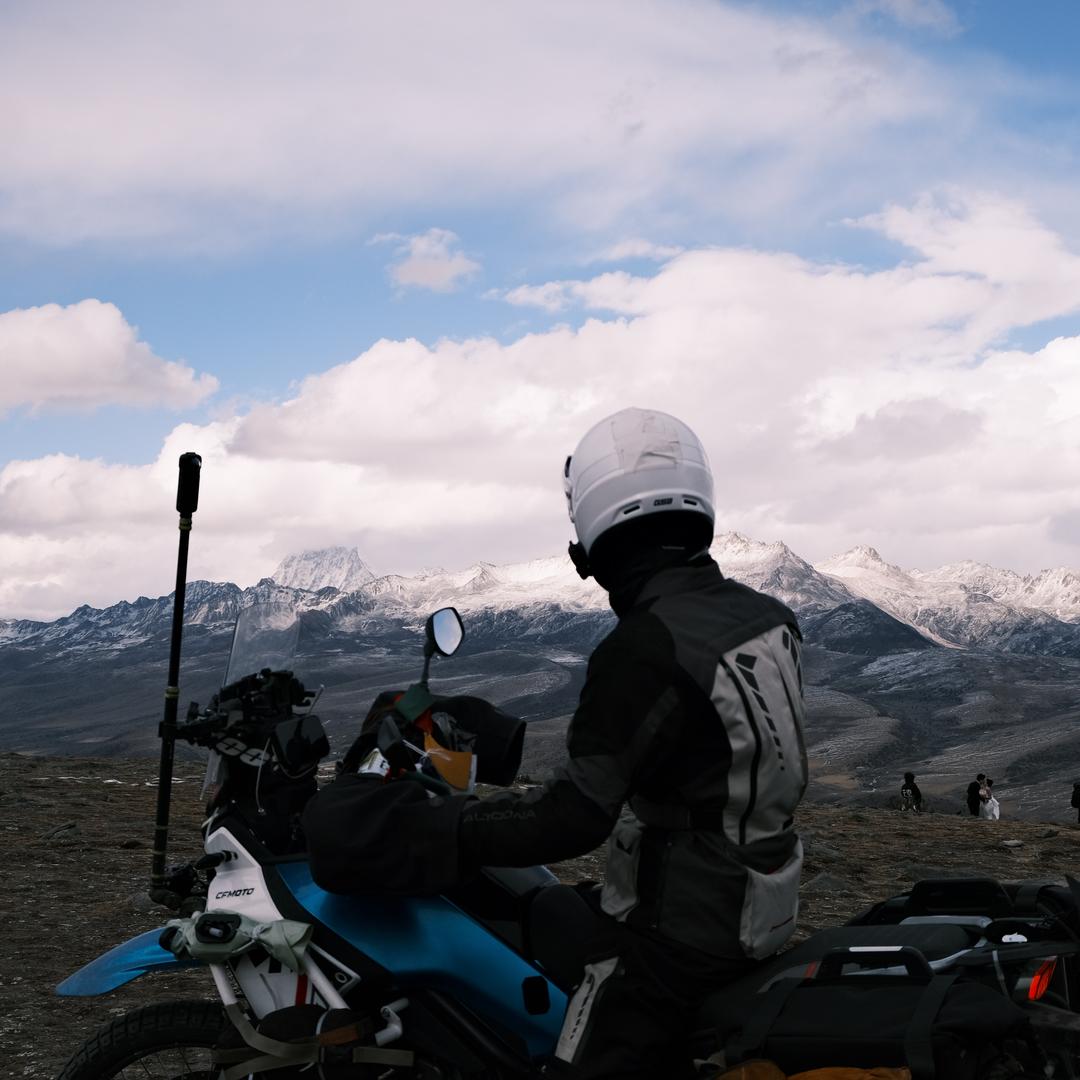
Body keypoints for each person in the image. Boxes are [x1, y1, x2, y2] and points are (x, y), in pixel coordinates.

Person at [457, 407, 808, 1079]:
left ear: (590, 533)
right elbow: (709, 754)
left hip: (679, 936)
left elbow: (574, 815)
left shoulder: (646, 646)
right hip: (761, 899)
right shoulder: (770, 616)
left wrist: (447, 830)